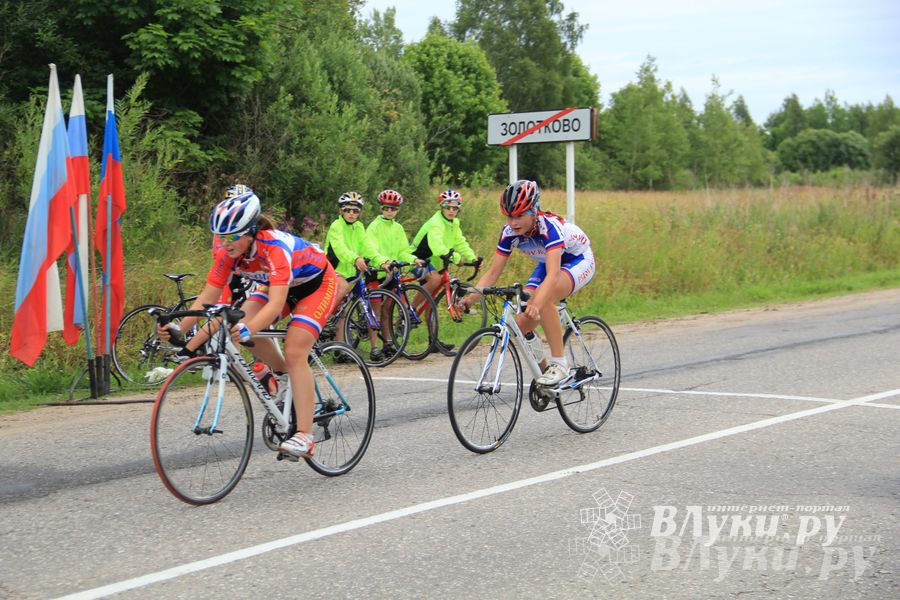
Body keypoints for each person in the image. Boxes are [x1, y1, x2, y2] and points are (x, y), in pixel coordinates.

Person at [158, 190, 337, 459]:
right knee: (239, 322)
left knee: (294, 350)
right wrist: (179, 332)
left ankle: (305, 436)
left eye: (231, 237)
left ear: (251, 231)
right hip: (280, 286)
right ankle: (283, 374)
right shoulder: (226, 253)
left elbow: (275, 305)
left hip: (317, 285)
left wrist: (248, 329)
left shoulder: (274, 247)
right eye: (220, 236)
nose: (225, 243)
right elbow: (208, 297)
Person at [461, 179, 595, 386]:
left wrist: (537, 302)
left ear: (534, 211)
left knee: (545, 297)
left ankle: (560, 364)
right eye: (509, 216)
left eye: (520, 216)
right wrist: (471, 298)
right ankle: (547, 376)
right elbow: (493, 272)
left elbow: (552, 276)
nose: (513, 223)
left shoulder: (549, 228)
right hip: (548, 261)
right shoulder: (508, 233)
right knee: (522, 324)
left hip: (577, 259)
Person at [409, 189, 480, 352]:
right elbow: (436, 247)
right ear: (441, 207)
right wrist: (456, 258)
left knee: (431, 301)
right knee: (434, 280)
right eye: (448, 207)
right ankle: (410, 310)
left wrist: (472, 258)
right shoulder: (436, 223)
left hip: (437, 261)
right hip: (417, 259)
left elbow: (460, 242)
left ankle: (433, 340)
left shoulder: (454, 223)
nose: (451, 211)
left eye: (455, 208)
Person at [323, 191, 391, 353]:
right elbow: (340, 249)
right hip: (334, 270)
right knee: (343, 289)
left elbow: (368, 248)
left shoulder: (359, 227)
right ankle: (323, 319)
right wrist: (355, 259)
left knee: (343, 313)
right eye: (347, 210)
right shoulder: (336, 226)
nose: (351, 214)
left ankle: (339, 350)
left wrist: (383, 261)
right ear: (341, 211)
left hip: (353, 273)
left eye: (355, 211)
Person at [366, 189, 425, 358]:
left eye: (393, 209)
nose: (390, 211)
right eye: (386, 208)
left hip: (391, 272)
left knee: (387, 310)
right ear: (381, 208)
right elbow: (371, 250)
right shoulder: (374, 227)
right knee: (375, 311)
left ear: (398, 210)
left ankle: (388, 343)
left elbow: (402, 252)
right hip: (377, 272)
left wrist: (414, 260)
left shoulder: (398, 228)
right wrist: (384, 261)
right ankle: (374, 347)